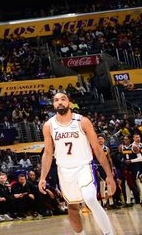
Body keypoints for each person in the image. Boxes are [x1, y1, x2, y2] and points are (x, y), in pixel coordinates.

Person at [39, 91, 116, 235]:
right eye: (56, 100)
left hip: (84, 167)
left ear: (69, 102)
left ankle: (109, 233)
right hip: (64, 171)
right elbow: (48, 153)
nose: (59, 102)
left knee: (90, 198)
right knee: (73, 208)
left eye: (63, 99)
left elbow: (98, 150)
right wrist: (42, 177)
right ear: (53, 104)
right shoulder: (48, 125)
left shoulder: (82, 121)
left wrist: (109, 175)